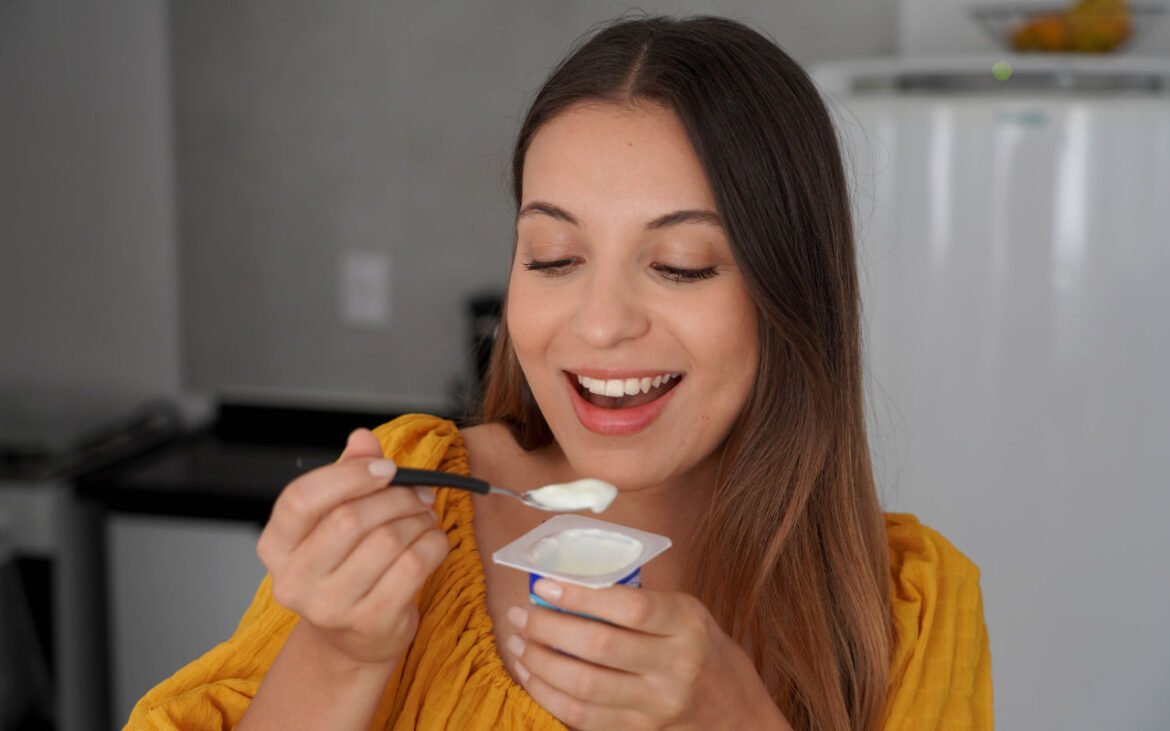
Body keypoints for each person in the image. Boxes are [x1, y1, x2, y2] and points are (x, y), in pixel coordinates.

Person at [126, 15, 991, 731]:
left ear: (790, 291)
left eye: (682, 264)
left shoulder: (909, 610)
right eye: (553, 256)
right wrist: (336, 654)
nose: (602, 324)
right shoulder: (415, 507)